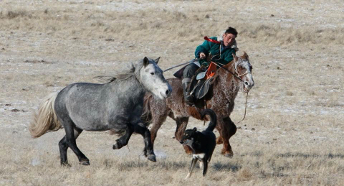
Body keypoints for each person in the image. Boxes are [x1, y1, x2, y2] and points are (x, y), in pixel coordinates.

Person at [182, 27, 239, 104]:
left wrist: (216, 63)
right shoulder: (213, 41)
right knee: (188, 69)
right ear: (224, 35)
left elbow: (227, 64)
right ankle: (187, 95)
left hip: (215, 70)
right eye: (229, 38)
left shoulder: (231, 51)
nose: (230, 41)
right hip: (202, 64)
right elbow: (201, 47)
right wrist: (201, 53)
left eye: (233, 39)